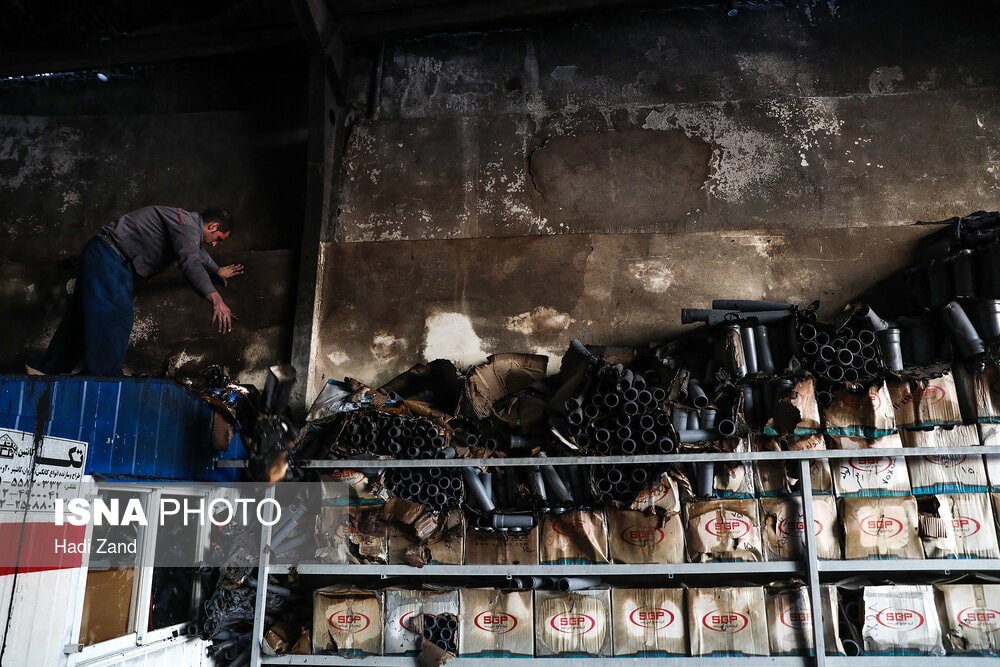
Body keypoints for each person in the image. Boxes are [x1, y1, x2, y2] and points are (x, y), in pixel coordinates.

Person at [40, 205, 245, 376]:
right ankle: (107, 380)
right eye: (218, 238)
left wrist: (217, 270)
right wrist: (216, 299)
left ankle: (48, 373)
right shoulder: (187, 225)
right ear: (213, 225)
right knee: (118, 314)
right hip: (109, 257)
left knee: (81, 319)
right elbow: (191, 261)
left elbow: (199, 254)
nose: (215, 244)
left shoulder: (186, 226)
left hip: (106, 258)